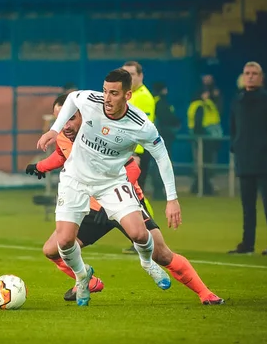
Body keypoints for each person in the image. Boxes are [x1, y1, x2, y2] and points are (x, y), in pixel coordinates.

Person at [27, 93, 224, 305]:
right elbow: (62, 154)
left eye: (71, 118)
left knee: (161, 254)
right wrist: (40, 166)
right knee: (52, 249)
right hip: (91, 207)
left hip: (123, 201)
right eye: (61, 120)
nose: (66, 125)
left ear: (84, 114)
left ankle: (205, 293)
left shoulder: (101, 132)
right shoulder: (63, 135)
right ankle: (87, 280)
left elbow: (132, 166)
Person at [35, 68, 182, 306]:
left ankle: (147, 263)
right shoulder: (91, 101)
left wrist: (172, 199)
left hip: (112, 182)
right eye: (105, 91)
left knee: (139, 234)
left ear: (127, 95)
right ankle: (83, 276)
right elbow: (72, 98)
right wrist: (54, 129)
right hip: (75, 179)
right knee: (63, 242)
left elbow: (162, 157)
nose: (107, 98)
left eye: (113, 93)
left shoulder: (142, 125)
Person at [228, 62, 267, 256]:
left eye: (254, 73)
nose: (250, 76)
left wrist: (265, 146)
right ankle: (247, 244)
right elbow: (233, 127)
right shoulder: (237, 100)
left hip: (264, 161)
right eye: (247, 73)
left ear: (261, 77)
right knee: (247, 206)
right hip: (244, 160)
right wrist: (235, 145)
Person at [122, 61, 155, 191]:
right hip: (127, 150)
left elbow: (142, 128)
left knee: (135, 194)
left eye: (131, 74)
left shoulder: (144, 97)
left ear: (140, 76)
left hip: (137, 152)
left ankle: (144, 212)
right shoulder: (129, 94)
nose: (128, 78)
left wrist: (135, 153)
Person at [187, 88, 222, 195]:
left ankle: (200, 187)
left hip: (202, 138)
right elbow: (199, 123)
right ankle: (203, 188)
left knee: (202, 164)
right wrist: (203, 137)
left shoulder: (197, 105)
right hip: (204, 139)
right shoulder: (200, 106)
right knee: (204, 164)